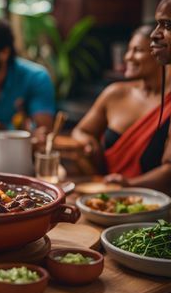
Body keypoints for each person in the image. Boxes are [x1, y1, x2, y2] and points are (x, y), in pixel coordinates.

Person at [71, 24, 171, 192]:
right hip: (107, 198)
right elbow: (81, 131)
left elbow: (169, 172)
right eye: (129, 49)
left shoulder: (168, 104)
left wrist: (128, 185)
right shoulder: (115, 93)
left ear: (159, 53)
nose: (127, 57)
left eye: (137, 50)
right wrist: (88, 142)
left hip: (154, 205)